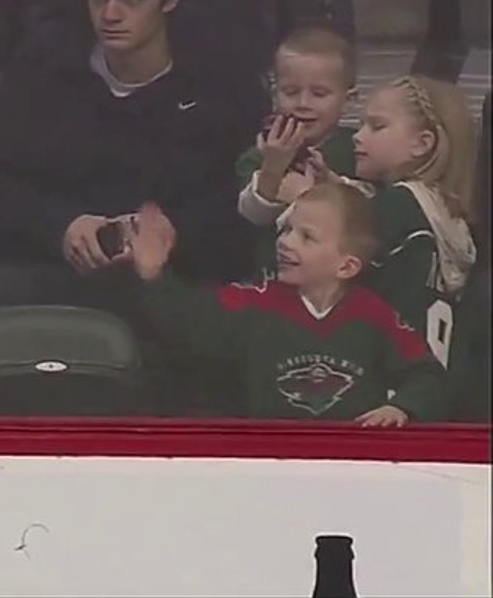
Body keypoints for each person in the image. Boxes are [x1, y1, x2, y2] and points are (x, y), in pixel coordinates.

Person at [0, 0, 265, 316]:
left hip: (184, 276)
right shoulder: (44, 69)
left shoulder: (221, 79)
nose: (110, 14)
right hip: (68, 274)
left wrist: (174, 230)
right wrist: (62, 225)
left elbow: (252, 188)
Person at [130, 186, 447, 424]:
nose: (285, 242)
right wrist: (154, 274)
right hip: (271, 456)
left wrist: (401, 407)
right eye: (287, 230)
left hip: (353, 461)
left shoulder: (374, 314)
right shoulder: (256, 301)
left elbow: (426, 373)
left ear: (347, 266)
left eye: (307, 237)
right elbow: (191, 320)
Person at [350, 75, 478, 375]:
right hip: (440, 377)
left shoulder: (398, 205)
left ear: (422, 143)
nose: (357, 136)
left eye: (376, 126)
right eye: (360, 125)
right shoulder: (445, 210)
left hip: (391, 377)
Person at [236, 23, 360, 265]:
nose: (303, 103)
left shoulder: (358, 150)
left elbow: (370, 211)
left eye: (319, 94)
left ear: (348, 100)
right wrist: (272, 169)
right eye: (291, 92)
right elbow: (252, 215)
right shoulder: (258, 154)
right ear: (275, 93)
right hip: (274, 277)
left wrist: (320, 188)